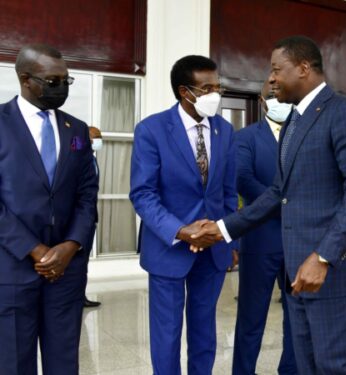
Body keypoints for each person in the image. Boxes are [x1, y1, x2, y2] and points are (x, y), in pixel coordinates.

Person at [191, 36, 346, 374]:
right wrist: (222, 229)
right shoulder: (294, 122)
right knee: (306, 364)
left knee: (333, 364)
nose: (272, 79)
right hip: (298, 268)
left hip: (332, 269)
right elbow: (279, 191)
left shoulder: (345, 112)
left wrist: (323, 256)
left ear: (304, 68)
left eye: (277, 70)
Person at [129, 55, 237, 375]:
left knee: (204, 330)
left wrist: (226, 237)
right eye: (207, 88)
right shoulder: (152, 130)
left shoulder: (225, 131)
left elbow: (229, 194)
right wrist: (182, 231)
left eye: (218, 87)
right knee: (167, 333)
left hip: (213, 249)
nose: (214, 94)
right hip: (169, 248)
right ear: (183, 92)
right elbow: (143, 195)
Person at [0, 44, 99, 375]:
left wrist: (71, 246)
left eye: (66, 81)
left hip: (66, 269)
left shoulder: (77, 130)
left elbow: (87, 194)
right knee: (14, 361)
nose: (61, 87)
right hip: (12, 267)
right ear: (26, 79)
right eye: (52, 80)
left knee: (63, 361)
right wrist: (37, 250)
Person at [232, 80, 297, 375]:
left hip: (298, 242)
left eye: (282, 94)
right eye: (271, 95)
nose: (278, 99)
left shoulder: (304, 134)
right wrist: (281, 204)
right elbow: (243, 179)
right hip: (260, 240)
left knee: (297, 317)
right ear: (261, 99)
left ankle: (291, 370)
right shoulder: (246, 137)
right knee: (251, 317)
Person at [82, 125, 104, 308]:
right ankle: (76, 297)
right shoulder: (79, 159)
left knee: (84, 260)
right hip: (81, 219)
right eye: (96, 137)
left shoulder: (92, 159)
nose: (99, 140)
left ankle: (81, 295)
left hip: (90, 218)